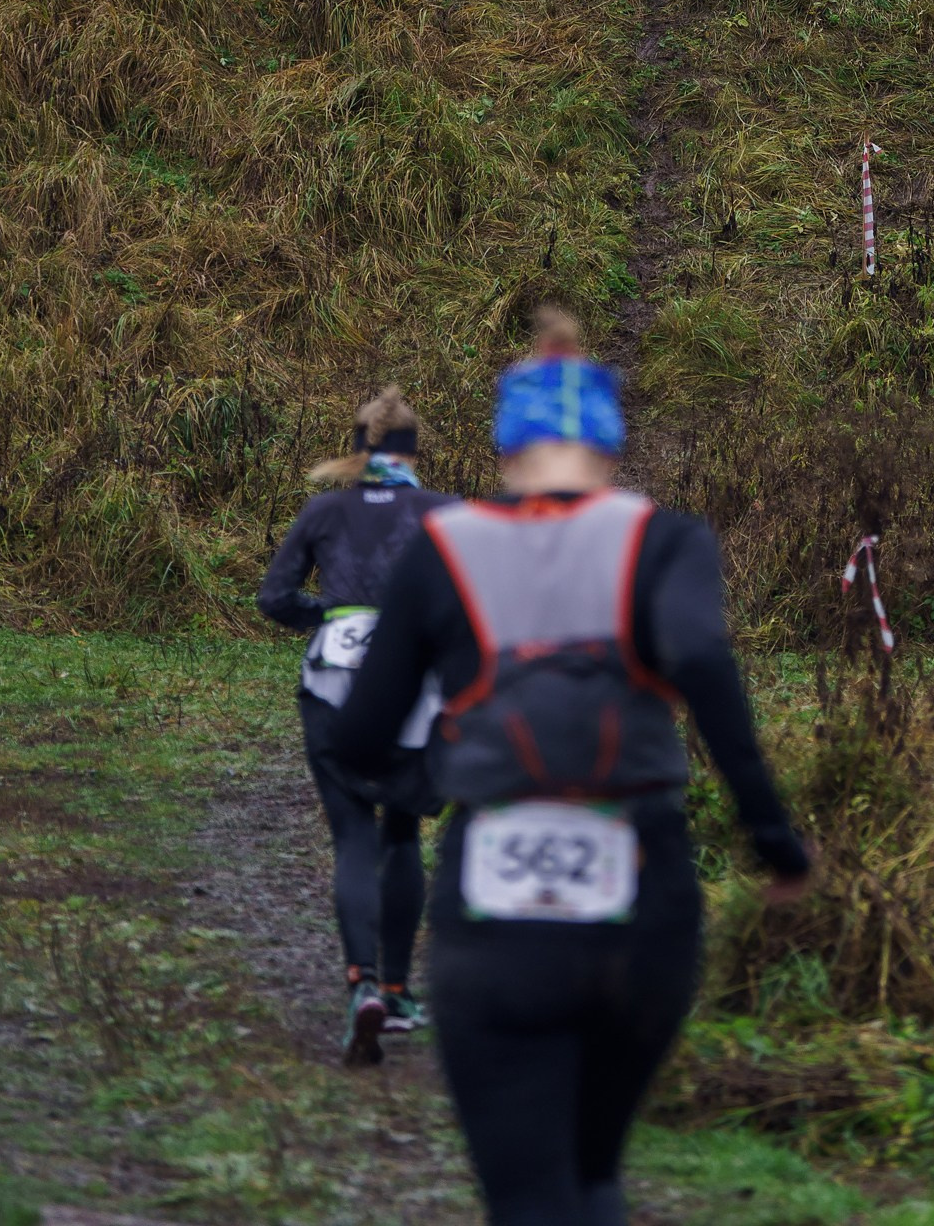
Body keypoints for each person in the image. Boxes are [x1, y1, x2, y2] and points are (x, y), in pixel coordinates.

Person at [333, 310, 812, 1226]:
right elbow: (704, 665)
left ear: (505, 448)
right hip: (645, 899)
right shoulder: (664, 540)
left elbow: (360, 738)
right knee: (593, 1174)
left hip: (490, 904)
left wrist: (427, 790)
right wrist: (772, 837)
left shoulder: (444, 548)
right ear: (611, 446)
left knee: (525, 1193)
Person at [257, 388, 457, 1066]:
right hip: (415, 685)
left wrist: (332, 616)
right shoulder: (445, 514)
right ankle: (399, 990)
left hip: (332, 676)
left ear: (356, 449)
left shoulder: (326, 509)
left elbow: (273, 598)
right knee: (401, 831)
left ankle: (362, 986)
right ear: (415, 451)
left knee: (352, 837)